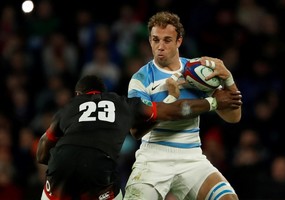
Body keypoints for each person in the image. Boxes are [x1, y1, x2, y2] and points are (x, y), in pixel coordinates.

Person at [36, 75, 242, 200]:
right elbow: (175, 110)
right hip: (98, 170)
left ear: (78, 94)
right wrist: (212, 103)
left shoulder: (68, 108)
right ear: (103, 92)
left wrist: (54, 163)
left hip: (61, 167)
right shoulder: (122, 104)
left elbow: (43, 148)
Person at [124, 11, 242, 200]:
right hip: (153, 158)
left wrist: (228, 78)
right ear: (149, 40)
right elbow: (136, 130)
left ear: (179, 41)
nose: (160, 46)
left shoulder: (197, 71)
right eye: (155, 40)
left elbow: (233, 116)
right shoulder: (140, 79)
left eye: (167, 40)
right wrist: (172, 100)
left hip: (191, 157)